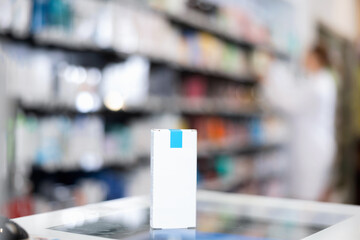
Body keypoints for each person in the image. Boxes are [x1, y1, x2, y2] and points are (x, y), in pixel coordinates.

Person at [262, 44, 337, 200]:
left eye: (307, 56)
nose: (303, 59)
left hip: (311, 149)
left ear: (315, 59)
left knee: (306, 197)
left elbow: (290, 103)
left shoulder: (318, 85)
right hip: (315, 145)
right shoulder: (321, 80)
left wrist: (268, 83)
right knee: (310, 193)